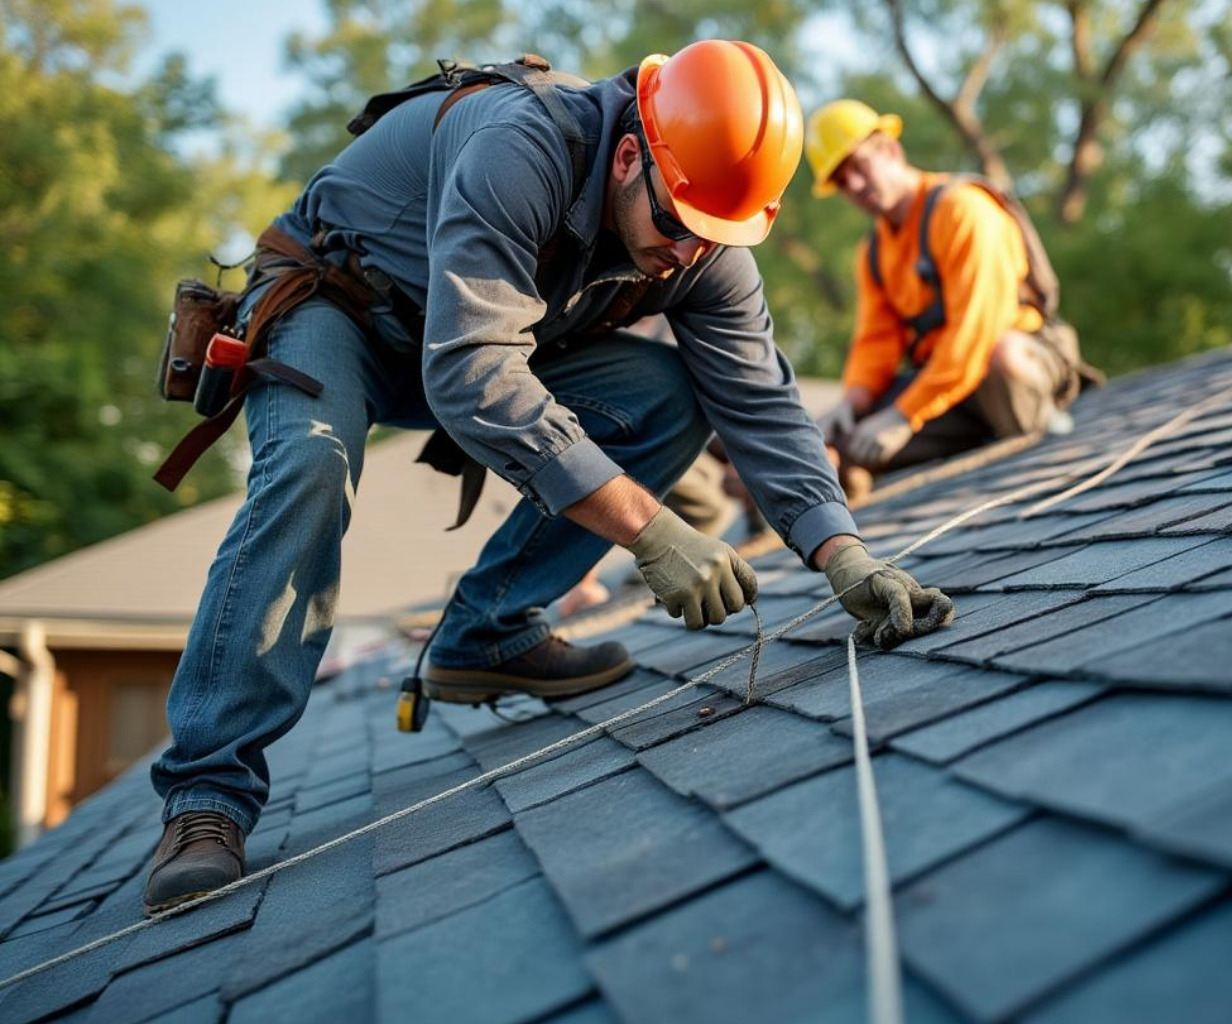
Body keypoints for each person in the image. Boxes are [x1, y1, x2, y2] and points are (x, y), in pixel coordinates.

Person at [145, 43, 954, 915]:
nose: (689, 255)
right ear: (632, 152)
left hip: (461, 337)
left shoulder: (703, 232)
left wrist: (843, 554)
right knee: (312, 462)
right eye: (679, 227)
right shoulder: (521, 148)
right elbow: (473, 374)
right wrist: (650, 532)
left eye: (717, 238)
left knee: (668, 396)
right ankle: (206, 798)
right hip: (337, 307)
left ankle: (485, 636)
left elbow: (759, 402)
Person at [804, 99, 1100, 498]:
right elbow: (876, 342)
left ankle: (1039, 451)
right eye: (840, 181)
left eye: (857, 167)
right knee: (837, 439)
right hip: (948, 390)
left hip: (1014, 362)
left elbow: (977, 332)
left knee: (1004, 356)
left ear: (891, 150)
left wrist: (903, 416)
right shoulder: (873, 251)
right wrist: (853, 402)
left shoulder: (962, 210)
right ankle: (854, 509)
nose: (854, 186)